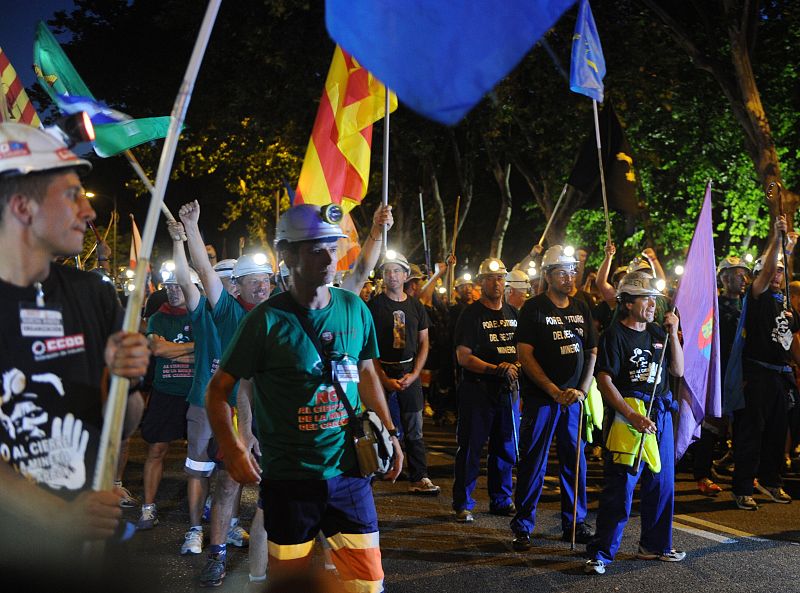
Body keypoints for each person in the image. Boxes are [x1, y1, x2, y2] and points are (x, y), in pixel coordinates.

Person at [206, 203, 403, 593]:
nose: (328, 257)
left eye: (333, 247)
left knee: (367, 584)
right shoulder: (263, 321)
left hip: (350, 473)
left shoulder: (353, 308)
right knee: (291, 584)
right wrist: (233, 447)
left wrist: (391, 433)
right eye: (315, 248)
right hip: (289, 480)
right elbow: (217, 391)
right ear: (287, 256)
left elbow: (365, 373)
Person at [0, 122, 149, 580]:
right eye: (72, 196)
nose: (88, 212)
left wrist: (122, 382)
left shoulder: (94, 295)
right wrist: (55, 516)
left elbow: (122, 427)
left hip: (85, 550)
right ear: (23, 207)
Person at [180, 201, 270, 586]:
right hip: (237, 418)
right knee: (229, 483)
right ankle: (216, 556)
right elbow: (202, 270)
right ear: (238, 285)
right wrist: (192, 227)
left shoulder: (285, 311)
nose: (262, 285)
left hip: (276, 417)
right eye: (254, 280)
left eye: (266, 278)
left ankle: (266, 565)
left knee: (277, 487)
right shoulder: (230, 312)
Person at [585, 270, 685, 575]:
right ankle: (600, 553)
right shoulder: (614, 335)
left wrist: (673, 334)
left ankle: (653, 546)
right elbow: (604, 381)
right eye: (647, 298)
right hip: (629, 416)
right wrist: (631, 415)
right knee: (621, 487)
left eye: (655, 299)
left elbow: (678, 371)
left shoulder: (658, 332)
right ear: (627, 302)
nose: (653, 305)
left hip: (660, 415)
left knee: (662, 483)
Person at [509, 246, 597, 549]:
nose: (569, 277)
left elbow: (591, 351)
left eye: (572, 270)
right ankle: (523, 525)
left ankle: (575, 523)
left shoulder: (581, 307)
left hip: (572, 401)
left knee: (576, 463)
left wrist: (581, 391)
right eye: (562, 271)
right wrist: (553, 390)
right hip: (543, 400)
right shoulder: (533, 308)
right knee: (534, 461)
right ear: (547, 275)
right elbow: (525, 354)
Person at [728, 216, 799, 510]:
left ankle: (772, 481)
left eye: (781, 271)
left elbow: (792, 339)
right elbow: (769, 266)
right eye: (772, 270)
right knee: (751, 433)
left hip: (781, 376)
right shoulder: (756, 297)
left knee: (776, 432)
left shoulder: (788, 304)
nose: (777, 274)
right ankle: (743, 487)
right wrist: (776, 236)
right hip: (757, 374)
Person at [451, 257, 520, 523]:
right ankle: (463, 503)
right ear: (481, 282)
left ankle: (501, 500)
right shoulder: (470, 314)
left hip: (507, 392)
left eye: (501, 278)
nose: (497, 283)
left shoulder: (513, 314)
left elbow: (524, 350)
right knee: (471, 447)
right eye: (491, 278)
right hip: (477, 390)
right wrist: (495, 368)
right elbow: (463, 356)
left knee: (505, 448)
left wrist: (516, 365)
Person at [369, 251, 440, 494]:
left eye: (397, 271)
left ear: (406, 275)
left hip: (410, 373)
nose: (392, 275)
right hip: (381, 374)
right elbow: (368, 350)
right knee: (376, 425)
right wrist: (383, 378)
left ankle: (419, 477)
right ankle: (374, 473)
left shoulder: (416, 307)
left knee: (414, 427)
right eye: (388, 271)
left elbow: (424, 343)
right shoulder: (373, 307)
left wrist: (414, 374)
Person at [136, 265, 196, 537]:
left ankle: (203, 505)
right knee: (156, 450)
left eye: (177, 286)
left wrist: (174, 352)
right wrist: (195, 348)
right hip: (165, 393)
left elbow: (210, 352)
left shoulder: (201, 314)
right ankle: (148, 506)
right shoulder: (158, 318)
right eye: (169, 286)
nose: (172, 291)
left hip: (196, 394)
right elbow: (157, 349)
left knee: (200, 457)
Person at [691, 256, 752, 496]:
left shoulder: (749, 305)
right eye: (738, 275)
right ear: (725, 278)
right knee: (713, 424)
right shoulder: (713, 307)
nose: (744, 279)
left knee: (743, 427)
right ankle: (702, 473)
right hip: (719, 374)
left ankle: (742, 472)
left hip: (742, 375)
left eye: (745, 275)